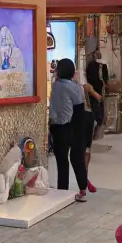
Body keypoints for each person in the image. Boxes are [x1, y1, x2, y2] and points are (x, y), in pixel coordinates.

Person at [48, 58, 89, 203]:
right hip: (75, 125)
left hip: (59, 127)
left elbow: (55, 108)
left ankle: (62, 191)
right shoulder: (75, 86)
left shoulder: (57, 85)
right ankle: (82, 189)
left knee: (62, 161)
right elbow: (79, 105)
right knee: (77, 158)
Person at [85, 49, 108, 136]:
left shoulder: (96, 65)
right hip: (95, 92)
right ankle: (96, 132)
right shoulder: (99, 66)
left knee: (97, 110)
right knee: (99, 111)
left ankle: (96, 131)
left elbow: (105, 79)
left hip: (94, 91)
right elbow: (105, 80)